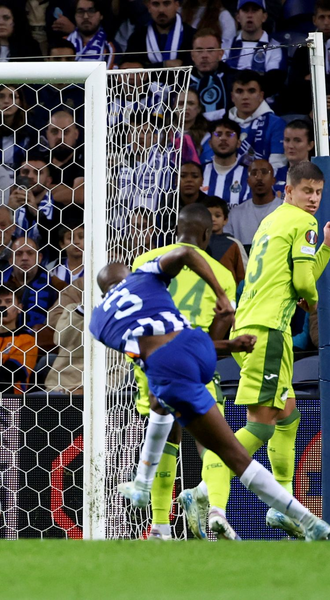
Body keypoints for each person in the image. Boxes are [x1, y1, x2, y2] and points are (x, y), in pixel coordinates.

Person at [93, 244, 330, 542]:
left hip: (168, 365)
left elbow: (151, 350)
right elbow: (184, 253)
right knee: (164, 405)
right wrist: (222, 299)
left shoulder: (98, 319)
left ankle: (147, 491)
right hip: (200, 347)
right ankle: (150, 502)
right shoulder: (143, 276)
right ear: (127, 276)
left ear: (104, 293)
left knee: (221, 445)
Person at [182, 161, 330, 540]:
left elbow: (289, 274)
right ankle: (203, 489)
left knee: (289, 415)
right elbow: (302, 280)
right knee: (261, 424)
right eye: (306, 192)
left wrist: (324, 251)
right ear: (289, 192)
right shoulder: (304, 223)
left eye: (318, 192)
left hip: (251, 325)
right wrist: (312, 298)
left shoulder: (273, 221)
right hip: (268, 330)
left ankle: (284, 507)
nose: (313, 199)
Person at [127, 204, 243, 540]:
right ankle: (216, 510)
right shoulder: (220, 274)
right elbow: (222, 325)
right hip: (193, 360)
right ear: (208, 234)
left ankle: (160, 525)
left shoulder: (145, 261)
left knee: (166, 435)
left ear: (175, 230)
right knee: (214, 440)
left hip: (151, 360)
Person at [218, 70, 286, 170]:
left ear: (261, 96)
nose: (245, 97)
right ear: (232, 97)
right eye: (239, 91)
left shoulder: (276, 124)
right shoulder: (221, 124)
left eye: (251, 91)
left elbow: (277, 166)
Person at [225, 0, 286, 98]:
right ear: (238, 17)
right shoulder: (226, 46)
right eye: (245, 10)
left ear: (264, 17)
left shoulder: (275, 47)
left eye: (254, 10)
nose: (249, 15)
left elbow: (273, 82)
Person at [225, 159, 282, 251]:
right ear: (248, 181)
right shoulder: (235, 214)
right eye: (254, 173)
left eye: (264, 172)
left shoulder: (285, 209)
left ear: (273, 180)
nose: (259, 177)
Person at [125, 0, 194, 68]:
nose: (161, 10)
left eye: (166, 3)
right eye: (156, 4)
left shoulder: (192, 36)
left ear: (176, 5)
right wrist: (163, 65)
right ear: (149, 7)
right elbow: (127, 67)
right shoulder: (137, 38)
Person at [201, 118, 251, 207]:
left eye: (229, 134)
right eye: (218, 134)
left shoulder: (249, 175)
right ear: (210, 143)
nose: (223, 138)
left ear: (238, 143)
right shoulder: (200, 172)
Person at [0, 85, 36, 167]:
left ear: (20, 102)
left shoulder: (31, 130)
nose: (6, 101)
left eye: (13, 97)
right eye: (1, 96)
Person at [201, 194, 247, 285]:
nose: (213, 219)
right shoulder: (197, 242)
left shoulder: (234, 244)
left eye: (217, 216)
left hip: (229, 294)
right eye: (208, 215)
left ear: (225, 220)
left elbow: (244, 274)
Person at [189, 28, 234, 120]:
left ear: (220, 54)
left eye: (210, 50)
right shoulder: (180, 81)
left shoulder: (234, 80)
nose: (204, 55)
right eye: (199, 50)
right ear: (192, 55)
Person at [65, 0, 116, 68]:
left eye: (91, 11)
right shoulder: (63, 43)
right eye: (80, 11)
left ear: (101, 15)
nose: (85, 16)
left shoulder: (111, 47)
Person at [276, 120, 315, 188]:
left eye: (297, 141)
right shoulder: (275, 175)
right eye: (287, 140)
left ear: (310, 145)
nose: (291, 146)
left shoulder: (319, 175)